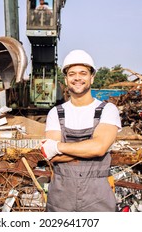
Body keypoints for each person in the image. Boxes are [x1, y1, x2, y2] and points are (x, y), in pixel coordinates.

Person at [40, 49, 122, 212]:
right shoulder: (55, 113)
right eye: (72, 74)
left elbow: (99, 148)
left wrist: (57, 147)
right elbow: (53, 158)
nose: (77, 78)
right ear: (66, 79)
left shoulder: (107, 110)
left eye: (83, 73)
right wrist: (87, 149)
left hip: (97, 198)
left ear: (92, 77)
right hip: (61, 198)